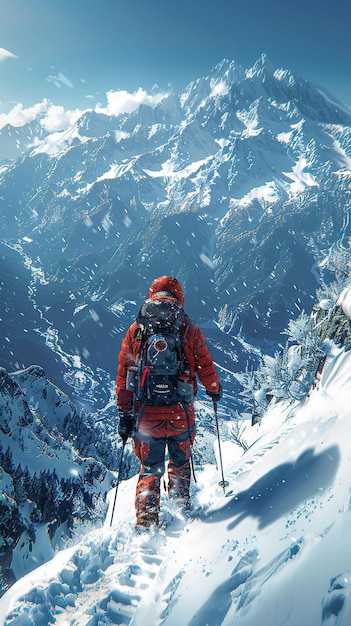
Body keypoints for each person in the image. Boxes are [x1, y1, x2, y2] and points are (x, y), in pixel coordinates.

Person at [116, 275, 221, 530]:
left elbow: (124, 374)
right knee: (180, 463)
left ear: (151, 295)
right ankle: (180, 510)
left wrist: (125, 413)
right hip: (180, 413)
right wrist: (214, 389)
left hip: (146, 415)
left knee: (150, 468)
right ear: (179, 296)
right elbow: (205, 364)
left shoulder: (137, 330)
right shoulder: (188, 328)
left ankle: (146, 521)